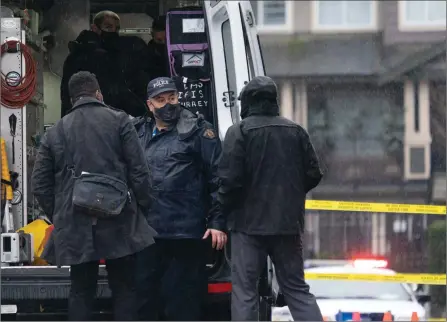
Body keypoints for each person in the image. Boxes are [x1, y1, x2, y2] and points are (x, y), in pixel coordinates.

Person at [32, 71, 157, 321]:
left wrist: (60, 213)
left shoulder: (55, 131)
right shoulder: (120, 121)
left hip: (75, 222)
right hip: (119, 218)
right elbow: (140, 172)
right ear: (98, 94)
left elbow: (39, 184)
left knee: (80, 290)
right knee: (124, 288)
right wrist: (143, 208)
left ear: (71, 99)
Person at [217, 76, 324, 321]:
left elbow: (229, 181)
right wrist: (290, 194)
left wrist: (220, 215)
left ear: (247, 102)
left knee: (245, 292)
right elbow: (313, 174)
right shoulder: (295, 131)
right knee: (296, 289)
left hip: (247, 226)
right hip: (287, 225)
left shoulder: (240, 132)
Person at [133, 77, 227, 321]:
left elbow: (218, 178)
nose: (169, 104)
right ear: (150, 105)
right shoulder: (138, 131)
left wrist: (217, 222)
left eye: (172, 98)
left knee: (182, 307)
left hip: (185, 235)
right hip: (147, 235)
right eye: (161, 100)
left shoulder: (198, 131)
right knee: (144, 305)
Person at [60, 10, 151, 118]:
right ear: (94, 28)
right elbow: (67, 92)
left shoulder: (120, 53)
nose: (113, 31)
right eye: (108, 27)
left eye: (116, 28)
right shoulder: (79, 55)